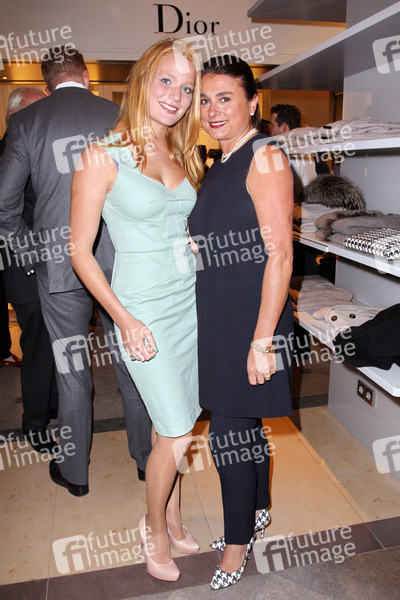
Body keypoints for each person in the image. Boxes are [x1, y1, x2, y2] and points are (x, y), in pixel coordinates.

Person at [69, 38, 203, 582]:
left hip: (189, 300)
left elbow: (177, 219)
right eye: (166, 80)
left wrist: (190, 243)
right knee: (177, 432)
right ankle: (153, 528)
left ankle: (171, 515)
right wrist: (123, 319)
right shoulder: (102, 155)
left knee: (175, 422)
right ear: (144, 80)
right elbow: (80, 251)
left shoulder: (183, 149)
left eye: (187, 87)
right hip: (142, 308)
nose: (177, 95)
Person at [0, 47, 152, 495]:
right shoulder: (119, 115)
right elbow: (144, 189)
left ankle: (75, 473)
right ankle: (147, 461)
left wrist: (31, 252)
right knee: (130, 364)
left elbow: (4, 205)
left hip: (59, 265)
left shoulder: (27, 122)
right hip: (119, 263)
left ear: (47, 85)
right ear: (86, 77)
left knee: (71, 374)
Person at [189, 56, 294, 590]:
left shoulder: (265, 156)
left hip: (251, 323)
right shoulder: (224, 158)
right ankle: (256, 510)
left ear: (253, 102)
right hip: (220, 316)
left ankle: (236, 547)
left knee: (228, 436)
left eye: (225, 98)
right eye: (205, 99)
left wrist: (262, 341)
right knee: (244, 428)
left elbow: (280, 255)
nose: (212, 110)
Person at [0, 87, 59, 454]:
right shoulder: (8, 151)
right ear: (16, 115)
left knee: (50, 342)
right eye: (38, 111)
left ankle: (50, 406)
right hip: (25, 267)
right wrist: (32, 255)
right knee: (37, 346)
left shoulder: (33, 147)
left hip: (46, 263)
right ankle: (35, 425)